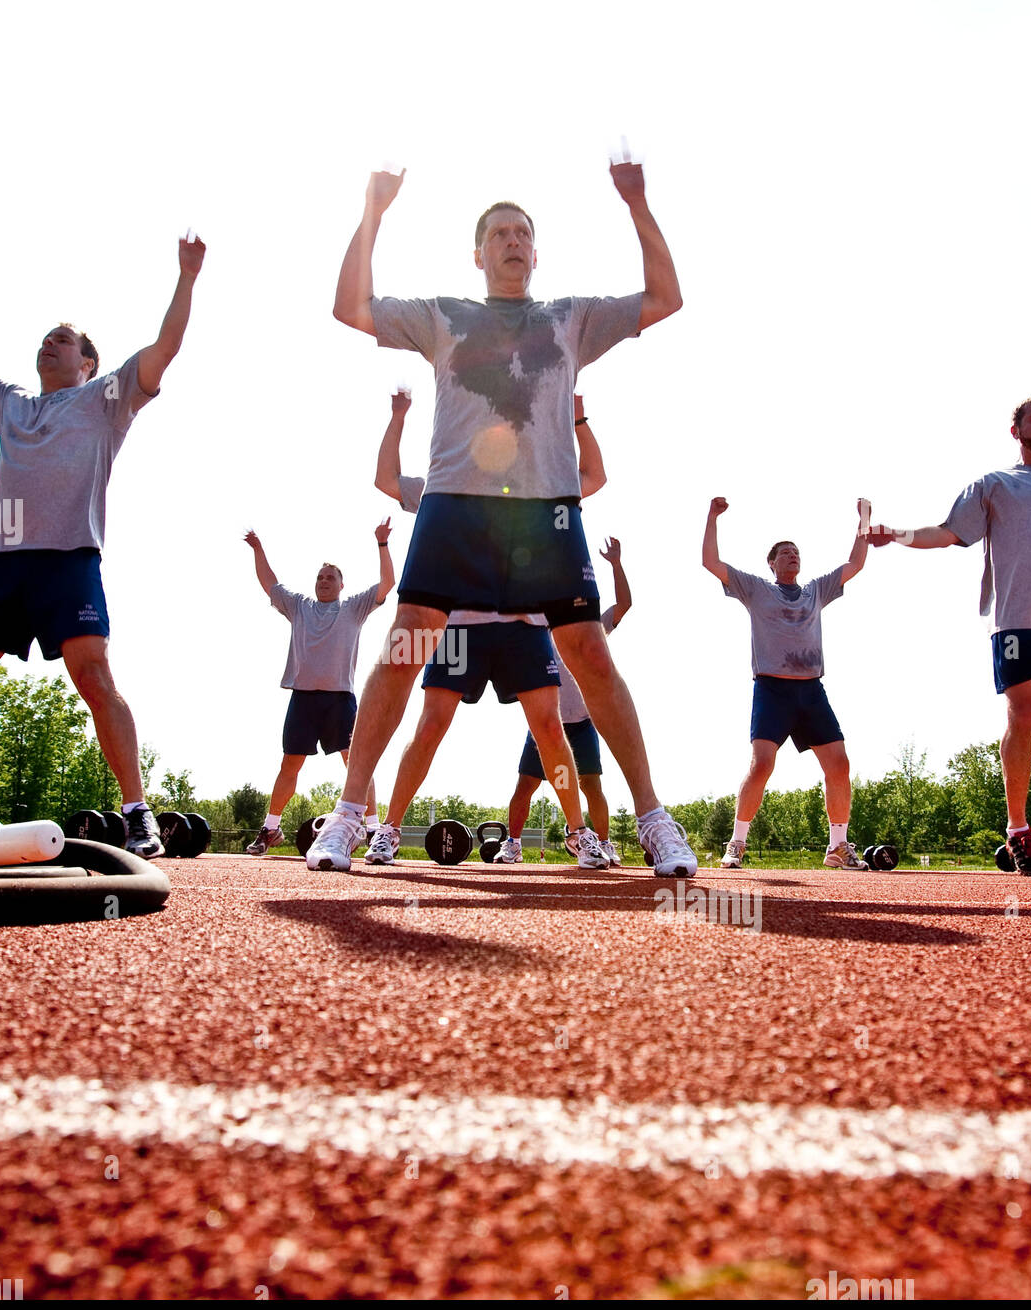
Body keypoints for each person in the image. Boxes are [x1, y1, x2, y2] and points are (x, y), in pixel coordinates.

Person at [312, 158, 695, 876]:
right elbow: (350, 307)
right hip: (455, 506)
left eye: (523, 233)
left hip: (543, 512)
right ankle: (349, 815)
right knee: (404, 648)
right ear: (479, 253)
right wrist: (373, 212)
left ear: (536, 253)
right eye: (500, 233)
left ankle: (653, 819)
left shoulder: (570, 318)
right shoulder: (443, 315)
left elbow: (666, 297)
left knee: (591, 653)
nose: (513, 241)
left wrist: (638, 202)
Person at [0, 236, 206, 856]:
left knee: (94, 675)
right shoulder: (9, 403)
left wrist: (186, 277)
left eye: (62, 339)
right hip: (0, 564)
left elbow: (164, 349)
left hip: (68, 562)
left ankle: (138, 812)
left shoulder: (105, 399)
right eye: (45, 338)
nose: (49, 344)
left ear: (88, 361)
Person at [365, 390, 610, 868]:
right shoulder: (450, 484)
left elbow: (595, 477)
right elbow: (385, 479)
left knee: (549, 730)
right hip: (460, 625)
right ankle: (388, 831)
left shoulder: (540, 483)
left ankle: (580, 835)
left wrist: (578, 418)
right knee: (431, 725)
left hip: (524, 624)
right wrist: (397, 416)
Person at [868, 394, 1031, 874]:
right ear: (1016, 431)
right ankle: (1020, 832)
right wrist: (897, 534)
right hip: (1018, 619)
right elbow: (949, 533)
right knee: (1024, 714)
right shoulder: (994, 484)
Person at [702, 495, 870, 869]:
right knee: (761, 765)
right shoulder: (757, 589)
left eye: (796, 552)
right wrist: (712, 516)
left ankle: (838, 847)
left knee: (839, 764)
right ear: (772, 563)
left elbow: (855, 562)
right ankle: (736, 843)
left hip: (811, 690)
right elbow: (710, 563)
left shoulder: (816, 591)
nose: (793, 556)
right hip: (772, 690)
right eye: (785, 553)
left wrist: (864, 518)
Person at [242, 524, 394, 854]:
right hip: (303, 698)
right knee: (290, 765)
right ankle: (270, 829)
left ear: (342, 585)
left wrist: (382, 543)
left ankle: (371, 831)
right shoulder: (299, 607)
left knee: (357, 764)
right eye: (320, 577)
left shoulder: (353, 607)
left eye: (330, 578)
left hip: (340, 699)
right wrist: (257, 548)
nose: (323, 582)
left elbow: (387, 583)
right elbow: (270, 583)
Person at [502, 536, 632, 865]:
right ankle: (512, 844)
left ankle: (603, 843)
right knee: (526, 785)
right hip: (545, 722)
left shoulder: (590, 627)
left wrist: (616, 564)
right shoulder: (534, 629)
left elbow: (624, 605)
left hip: (582, 723)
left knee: (591, 785)